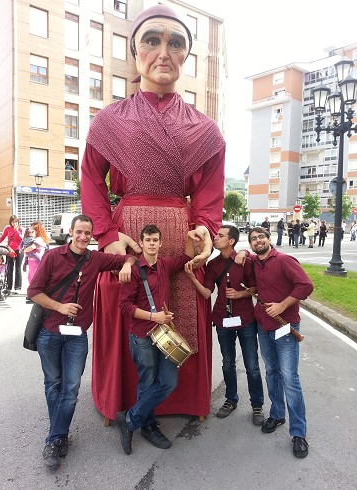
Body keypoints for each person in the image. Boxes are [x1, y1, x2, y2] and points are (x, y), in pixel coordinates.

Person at [81, 4, 226, 421]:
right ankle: (124, 400)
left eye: (175, 43)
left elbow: (210, 195)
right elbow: (91, 179)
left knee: (180, 314)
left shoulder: (206, 129)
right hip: (126, 236)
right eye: (152, 40)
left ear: (185, 56)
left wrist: (202, 227)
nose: (164, 52)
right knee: (131, 312)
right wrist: (106, 234)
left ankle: (179, 400)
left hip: (179, 237)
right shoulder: (108, 121)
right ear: (134, 51)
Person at [27, 214, 139, 469]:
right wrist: (60, 306)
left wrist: (126, 265)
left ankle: (55, 437)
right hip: (49, 331)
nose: (83, 237)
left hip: (76, 336)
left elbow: (131, 256)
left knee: (71, 388)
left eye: (87, 233)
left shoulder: (95, 258)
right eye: (79, 232)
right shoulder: (53, 257)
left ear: (92, 236)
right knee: (53, 384)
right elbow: (34, 292)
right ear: (70, 231)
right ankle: (59, 436)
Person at [117, 224, 209, 455]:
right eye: (147, 239)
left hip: (164, 334)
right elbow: (124, 306)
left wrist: (189, 236)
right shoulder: (134, 270)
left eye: (155, 240)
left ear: (160, 243)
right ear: (142, 242)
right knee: (147, 382)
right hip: (141, 334)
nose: (151, 243)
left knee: (168, 382)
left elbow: (187, 256)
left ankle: (129, 419)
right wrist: (153, 316)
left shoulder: (165, 265)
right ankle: (147, 425)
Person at [236, 227, 313, 458]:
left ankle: (299, 433)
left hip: (286, 326)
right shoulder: (254, 262)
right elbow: (241, 254)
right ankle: (277, 414)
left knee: (290, 378)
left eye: (261, 237)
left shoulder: (284, 260)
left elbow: (306, 286)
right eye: (253, 239)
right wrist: (241, 250)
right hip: (264, 327)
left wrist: (283, 304)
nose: (257, 241)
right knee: (271, 372)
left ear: (269, 240)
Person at [185, 225, 264, 425]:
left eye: (220, 236)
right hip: (222, 318)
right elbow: (206, 293)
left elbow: (255, 290)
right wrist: (193, 278)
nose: (215, 238)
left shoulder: (245, 260)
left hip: (245, 319)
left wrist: (239, 294)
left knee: (252, 366)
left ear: (231, 241)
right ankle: (231, 399)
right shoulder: (212, 265)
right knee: (227, 363)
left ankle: (257, 405)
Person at [0, 215, 23, 293]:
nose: (14, 224)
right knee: (9, 268)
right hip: (10, 250)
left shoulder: (21, 229)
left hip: (19, 250)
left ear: (18, 222)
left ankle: (18, 287)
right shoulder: (7, 228)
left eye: (16, 222)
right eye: (12, 222)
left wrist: (17, 231)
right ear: (10, 222)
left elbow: (22, 240)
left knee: (18, 268)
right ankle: (8, 287)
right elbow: (2, 237)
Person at [23, 221, 49, 288]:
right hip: (34, 260)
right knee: (30, 277)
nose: (31, 232)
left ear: (37, 231)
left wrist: (24, 251)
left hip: (34, 261)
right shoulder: (40, 239)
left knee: (32, 278)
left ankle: (34, 293)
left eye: (33, 231)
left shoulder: (38, 239)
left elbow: (33, 247)